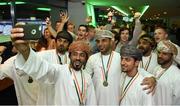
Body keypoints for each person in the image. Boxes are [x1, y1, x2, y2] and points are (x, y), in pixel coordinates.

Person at [10, 26, 97, 105]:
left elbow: (91, 102)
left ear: (86, 58)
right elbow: (41, 67)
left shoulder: (87, 77)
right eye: (75, 54)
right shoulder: (60, 71)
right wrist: (25, 51)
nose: (78, 58)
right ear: (69, 55)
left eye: (82, 55)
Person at [85, 30, 156, 105]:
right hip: (96, 101)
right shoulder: (92, 58)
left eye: (104, 41)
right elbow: (86, 78)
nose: (100, 44)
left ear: (111, 41)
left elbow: (137, 69)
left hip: (115, 101)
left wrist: (152, 78)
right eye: (98, 41)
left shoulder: (119, 57)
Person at [152, 40, 180, 105]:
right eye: (159, 52)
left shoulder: (177, 75)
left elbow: (178, 101)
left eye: (164, 53)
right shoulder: (156, 69)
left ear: (172, 56)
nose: (160, 56)